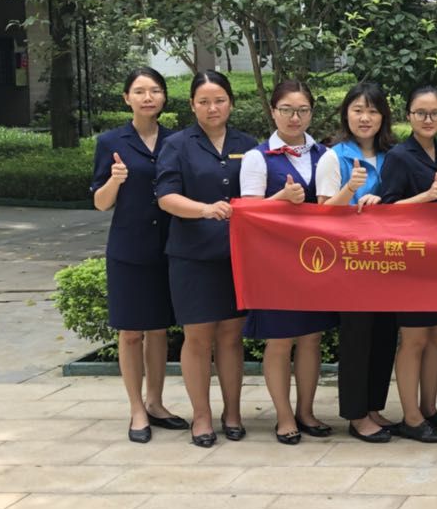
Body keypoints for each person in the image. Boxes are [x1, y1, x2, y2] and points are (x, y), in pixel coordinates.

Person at [155, 70, 258, 447]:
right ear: (192, 105)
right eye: (204, 102)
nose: (212, 108)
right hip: (192, 255)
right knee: (197, 337)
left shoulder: (248, 145)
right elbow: (166, 197)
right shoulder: (177, 145)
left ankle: (232, 412)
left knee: (231, 336)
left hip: (237, 255)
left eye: (219, 101)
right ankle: (201, 416)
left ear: (231, 103)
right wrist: (204, 209)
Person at [238, 80, 337, 445]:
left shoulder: (325, 155)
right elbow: (246, 213)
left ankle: (306, 411)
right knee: (280, 340)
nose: (295, 118)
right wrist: (280, 196)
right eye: (287, 110)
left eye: (302, 110)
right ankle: (283, 416)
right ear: (273, 112)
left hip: (315, 262)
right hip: (274, 263)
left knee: (311, 338)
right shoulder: (257, 157)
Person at [92, 67, 186, 444]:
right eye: (140, 91)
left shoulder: (177, 140)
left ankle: (156, 403)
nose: (148, 98)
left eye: (155, 90)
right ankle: (136, 409)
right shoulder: (110, 141)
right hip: (128, 248)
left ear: (164, 97)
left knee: (159, 329)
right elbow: (100, 203)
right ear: (126, 98)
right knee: (131, 332)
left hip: (169, 245)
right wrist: (115, 180)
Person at [315, 81, 399, 443]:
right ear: (346, 114)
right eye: (358, 110)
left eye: (373, 111)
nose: (365, 118)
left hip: (390, 262)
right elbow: (322, 213)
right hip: (351, 264)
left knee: (384, 336)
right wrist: (350, 189)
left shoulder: (393, 156)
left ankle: (374, 407)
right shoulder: (334, 157)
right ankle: (355, 414)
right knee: (357, 338)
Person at [379, 84, 437, 443]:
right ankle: (411, 417)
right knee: (414, 339)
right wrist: (425, 197)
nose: (428, 120)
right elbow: (386, 210)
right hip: (411, 262)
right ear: (408, 116)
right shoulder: (399, 156)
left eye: (435, 113)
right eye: (421, 113)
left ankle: (429, 408)